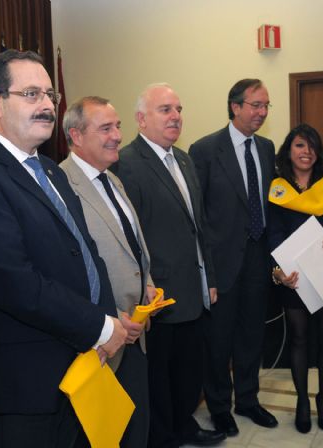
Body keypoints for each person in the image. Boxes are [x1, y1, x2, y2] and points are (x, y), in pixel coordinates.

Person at [0, 50, 126, 448]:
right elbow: (15, 284)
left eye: (50, 95)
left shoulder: (50, 169)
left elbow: (85, 253)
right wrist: (100, 326)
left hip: (82, 362)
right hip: (27, 382)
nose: (48, 106)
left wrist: (105, 319)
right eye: (31, 94)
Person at [112, 83, 224, 447]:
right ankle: (163, 437)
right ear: (141, 119)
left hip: (193, 289)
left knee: (188, 372)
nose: (175, 116)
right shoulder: (127, 164)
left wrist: (208, 275)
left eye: (178, 109)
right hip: (157, 294)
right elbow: (131, 235)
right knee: (159, 376)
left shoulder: (185, 159)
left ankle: (183, 427)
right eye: (165, 110)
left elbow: (199, 225)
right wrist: (145, 283)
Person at [59, 96, 155, 447]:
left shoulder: (113, 180)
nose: (117, 135)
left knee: (136, 429)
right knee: (103, 437)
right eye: (105, 128)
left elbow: (133, 246)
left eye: (117, 126)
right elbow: (69, 271)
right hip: (99, 341)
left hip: (137, 334)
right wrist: (112, 318)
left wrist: (148, 283)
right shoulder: (62, 186)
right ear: (77, 136)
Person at [189, 78, 277, 436]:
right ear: (235, 106)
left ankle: (249, 399)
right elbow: (197, 214)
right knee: (218, 340)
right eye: (255, 105)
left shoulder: (268, 148)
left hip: (258, 258)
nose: (261, 112)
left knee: (252, 335)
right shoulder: (206, 149)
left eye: (266, 106)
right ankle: (220, 407)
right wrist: (204, 271)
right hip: (220, 262)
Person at [269, 123, 323, 433]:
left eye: (311, 146)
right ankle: (302, 401)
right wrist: (279, 270)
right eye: (299, 146)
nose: (306, 152)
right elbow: (274, 234)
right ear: (288, 151)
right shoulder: (278, 188)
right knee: (299, 339)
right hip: (294, 277)